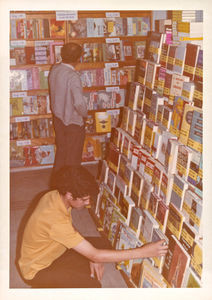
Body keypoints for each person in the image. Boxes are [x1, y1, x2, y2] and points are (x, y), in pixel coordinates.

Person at [18, 166, 168, 288]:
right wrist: (144, 252)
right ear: (70, 195)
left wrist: (92, 256)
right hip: (38, 270)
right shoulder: (54, 220)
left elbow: (69, 229)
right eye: (84, 199)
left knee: (102, 245)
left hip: (56, 250)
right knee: (92, 286)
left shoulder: (55, 195)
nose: (88, 203)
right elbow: (92, 252)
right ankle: (44, 287)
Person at [48, 42, 87, 173]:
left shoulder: (55, 69)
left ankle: (57, 183)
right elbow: (79, 103)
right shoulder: (73, 76)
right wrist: (85, 114)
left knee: (62, 151)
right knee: (73, 157)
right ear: (78, 59)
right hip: (72, 122)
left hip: (58, 118)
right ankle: (71, 186)